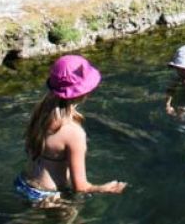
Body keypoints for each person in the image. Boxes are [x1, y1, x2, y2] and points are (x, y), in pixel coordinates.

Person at [15, 55, 127, 205]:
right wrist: (104, 188)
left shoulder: (40, 111)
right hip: (49, 197)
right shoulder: (74, 133)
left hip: (23, 183)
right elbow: (81, 187)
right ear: (84, 92)